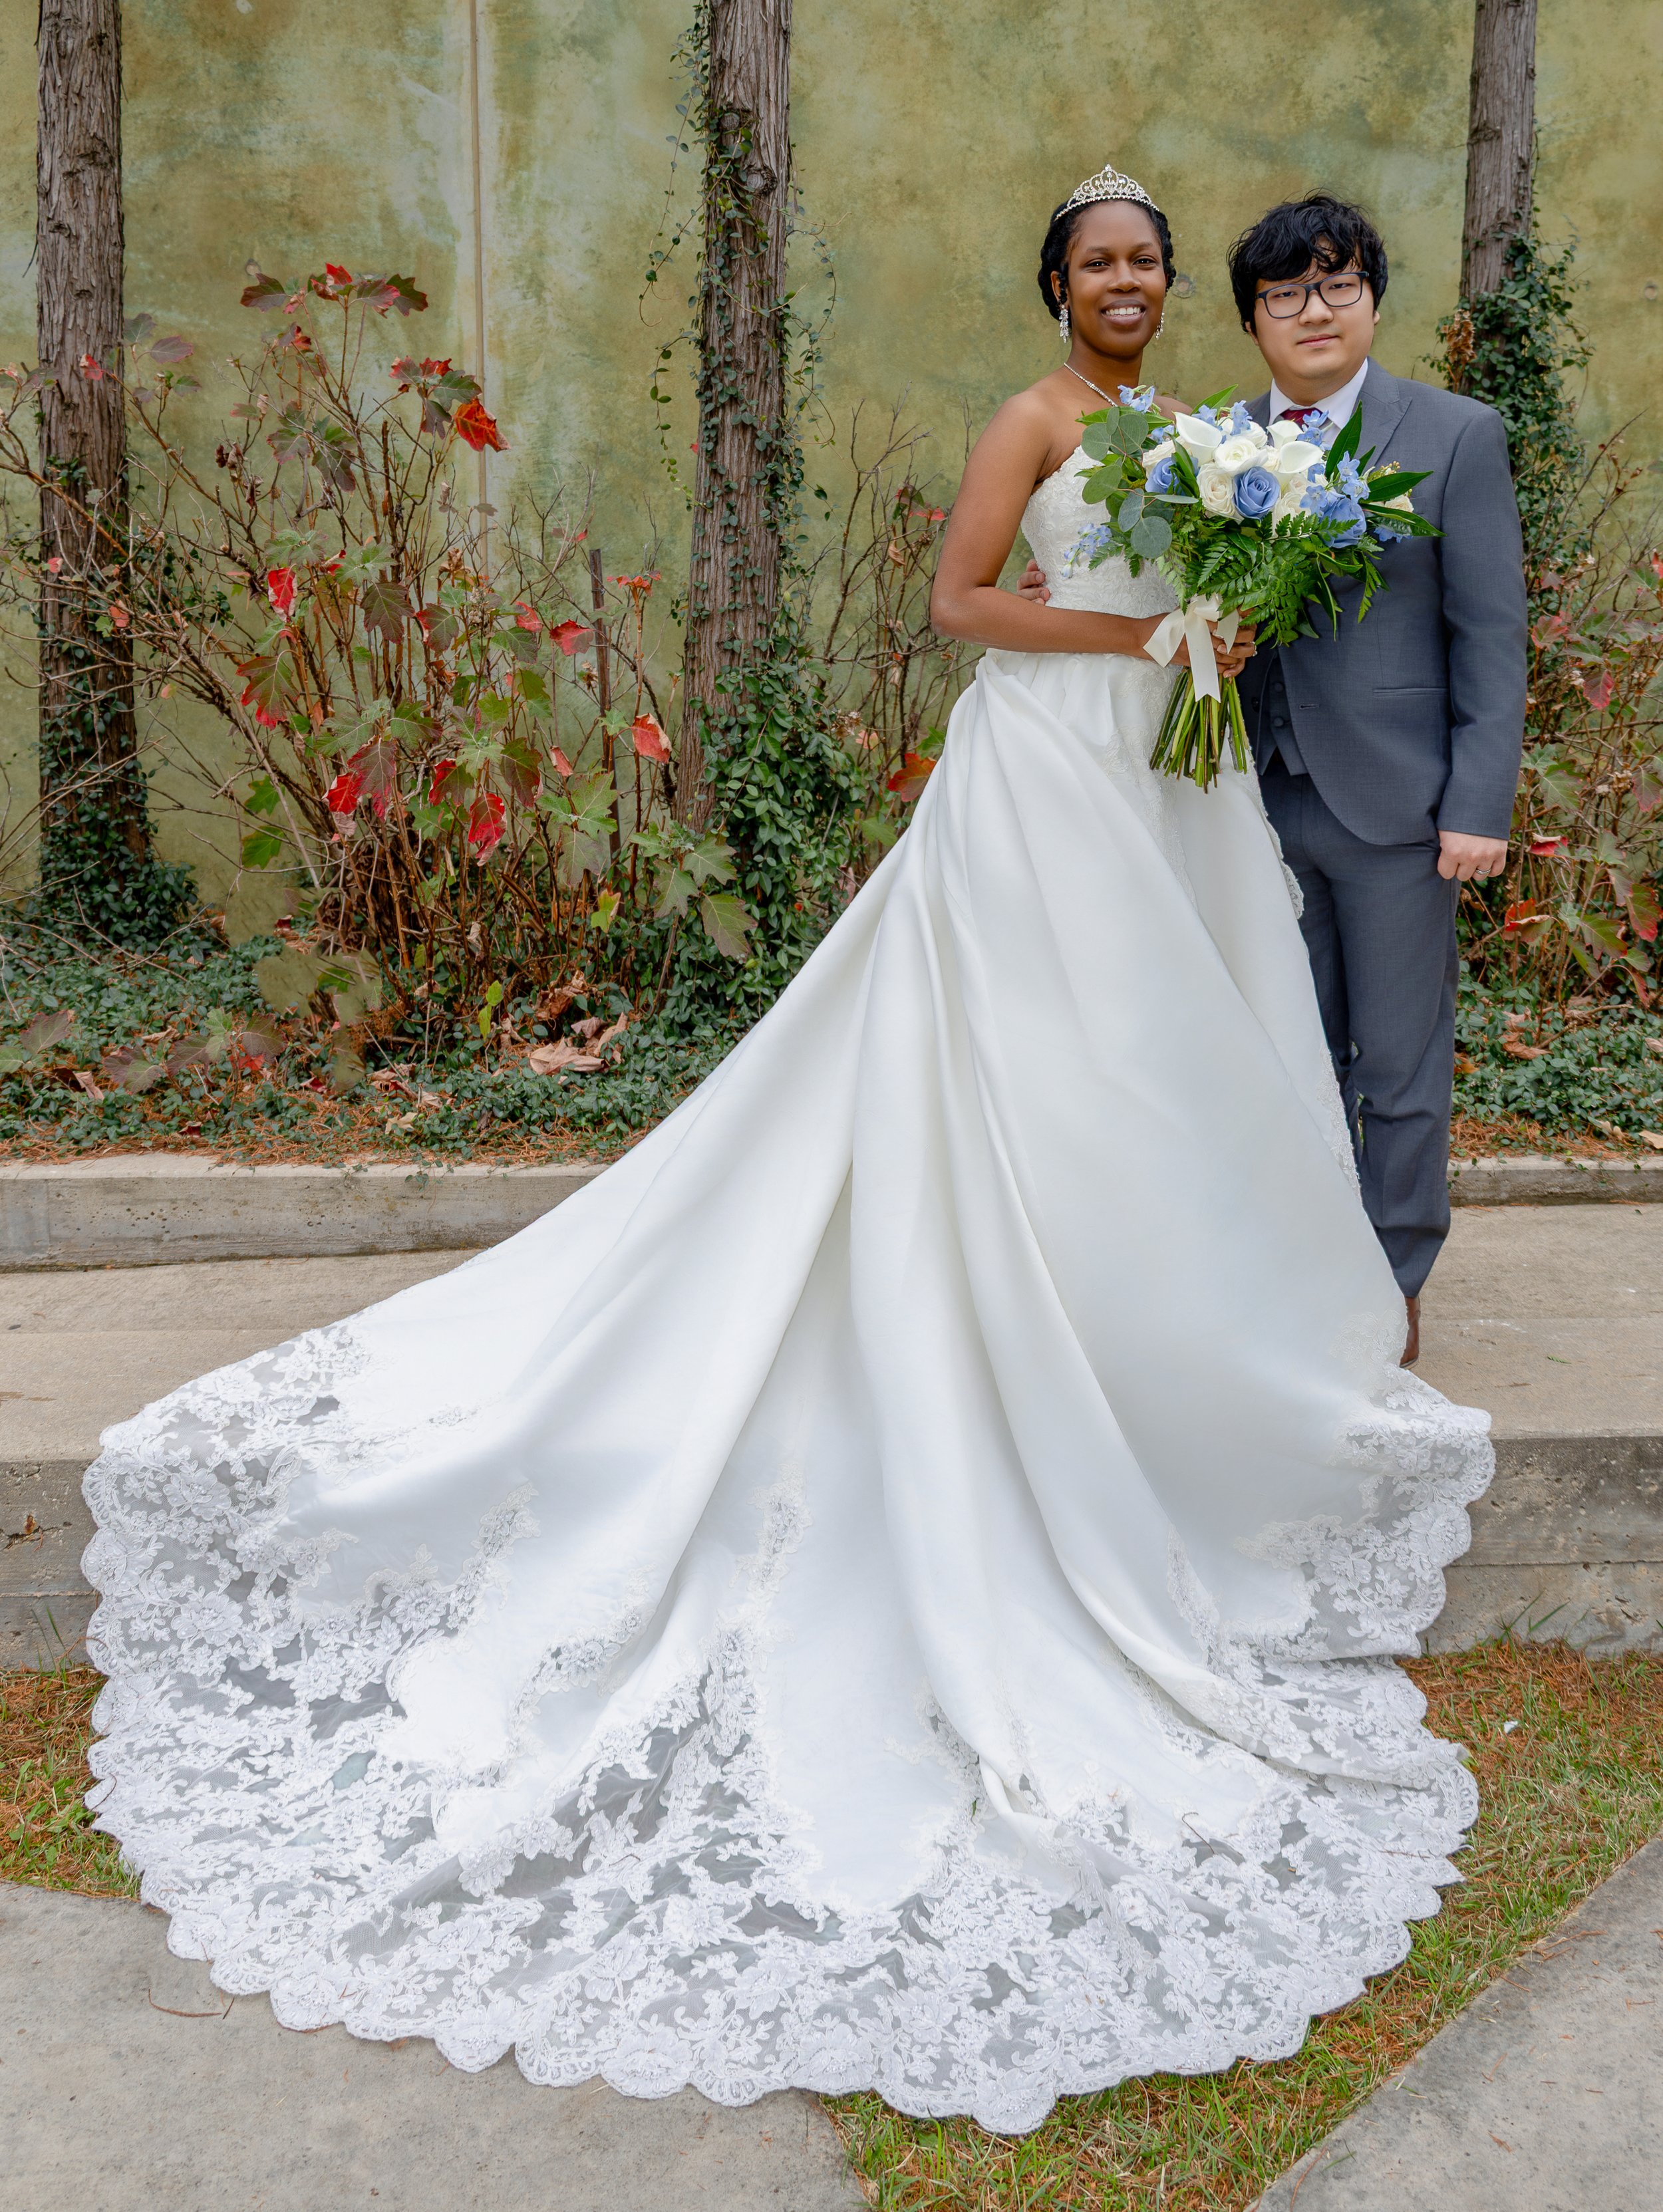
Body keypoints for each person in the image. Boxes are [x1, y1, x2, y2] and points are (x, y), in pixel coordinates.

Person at [80, 166, 1491, 2139]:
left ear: (1175, 289)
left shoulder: (1189, 432)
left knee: (1156, 1079)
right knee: (1023, 1065)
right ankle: (987, 1313)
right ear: (1056, 284)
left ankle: (1138, 1331)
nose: (1122, 282)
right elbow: (963, 601)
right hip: (1041, 777)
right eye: (1095, 261)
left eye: (1144, 261)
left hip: (1165, 790)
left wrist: (1215, 622)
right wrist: (1131, 637)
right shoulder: (1029, 422)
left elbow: (1198, 588)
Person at [1022, 196, 1527, 1365]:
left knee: (1398, 1067)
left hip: (1401, 811)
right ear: (1252, 315)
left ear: (1372, 300)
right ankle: (1300, 1271)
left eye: (1336, 286)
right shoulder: (1205, 439)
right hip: (1242, 796)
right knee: (1273, 1053)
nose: (1313, 310)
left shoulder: (1455, 436)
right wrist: (1066, 598)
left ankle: (1393, 1280)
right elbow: (1140, 577)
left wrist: (1476, 809)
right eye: (1285, 292)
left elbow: (1492, 637)